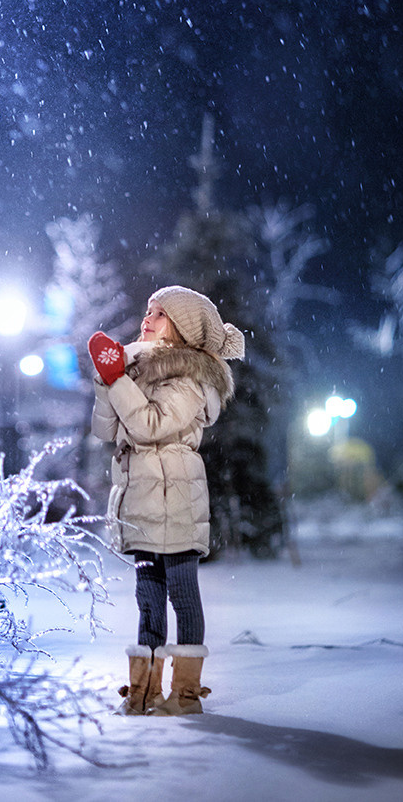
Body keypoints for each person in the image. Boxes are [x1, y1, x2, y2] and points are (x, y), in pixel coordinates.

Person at [89, 285, 244, 716]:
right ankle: (145, 690)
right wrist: (108, 379)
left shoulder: (190, 377)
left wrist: (117, 379)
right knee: (148, 595)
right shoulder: (136, 370)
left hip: (174, 498)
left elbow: (150, 425)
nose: (147, 318)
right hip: (141, 501)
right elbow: (105, 431)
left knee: (181, 591)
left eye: (159, 313)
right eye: (148, 309)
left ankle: (186, 694)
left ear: (181, 330)